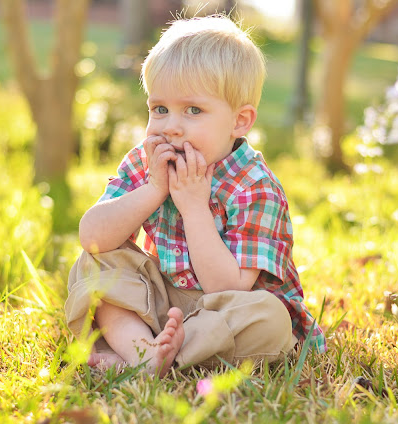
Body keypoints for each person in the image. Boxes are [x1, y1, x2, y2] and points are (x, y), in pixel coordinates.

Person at [65, 14, 326, 377]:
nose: (171, 126)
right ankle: (143, 351)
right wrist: (154, 189)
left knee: (271, 319)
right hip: (162, 301)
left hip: (226, 314)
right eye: (160, 109)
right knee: (95, 262)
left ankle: (155, 358)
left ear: (239, 121)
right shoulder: (148, 161)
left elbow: (228, 287)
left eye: (193, 110)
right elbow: (93, 237)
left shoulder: (254, 186)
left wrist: (193, 207)